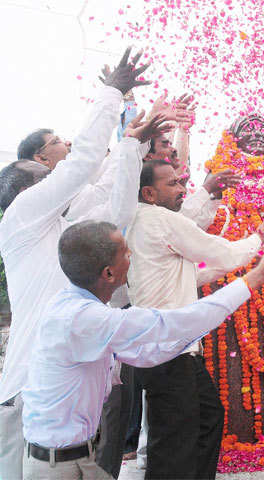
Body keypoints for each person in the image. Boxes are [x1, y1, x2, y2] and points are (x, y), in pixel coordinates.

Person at [21, 220, 264, 480]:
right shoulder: (85, 319)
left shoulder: (80, 306)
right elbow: (172, 324)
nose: (132, 257)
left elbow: (146, 352)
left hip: (77, 458)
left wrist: (184, 342)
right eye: (126, 253)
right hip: (57, 467)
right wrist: (255, 279)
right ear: (108, 273)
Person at [0, 47, 155, 480]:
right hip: (30, 397)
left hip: (72, 391)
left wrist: (131, 146)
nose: (59, 177)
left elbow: (115, 216)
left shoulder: (59, 230)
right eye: (48, 174)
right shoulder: (23, 216)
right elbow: (84, 163)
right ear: (29, 189)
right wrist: (111, 95)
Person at [125, 159, 264, 479]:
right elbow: (221, 253)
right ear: (149, 193)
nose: (182, 188)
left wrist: (251, 265)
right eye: (173, 184)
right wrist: (259, 238)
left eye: (181, 181)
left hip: (171, 348)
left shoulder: (144, 221)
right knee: (174, 440)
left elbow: (189, 275)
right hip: (170, 350)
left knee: (206, 419)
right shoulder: (160, 220)